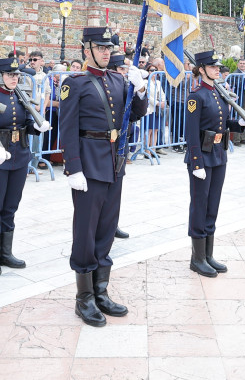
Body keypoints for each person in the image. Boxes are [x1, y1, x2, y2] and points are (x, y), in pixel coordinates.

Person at [60, 26, 148, 328]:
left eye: (108, 47)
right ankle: (83, 298)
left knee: (107, 228)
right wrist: (73, 168)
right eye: (100, 47)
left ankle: (101, 291)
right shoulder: (75, 83)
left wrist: (139, 90)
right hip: (89, 162)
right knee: (85, 230)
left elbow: (135, 113)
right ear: (87, 49)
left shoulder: (117, 79)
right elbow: (67, 128)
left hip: (114, 162)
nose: (106, 52)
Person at [0, 57, 44, 277]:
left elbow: (26, 121)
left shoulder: (20, 95)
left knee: (11, 206)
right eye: (10, 75)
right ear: (1, 75)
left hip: (19, 156)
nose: (14, 78)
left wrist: (36, 125)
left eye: (16, 75)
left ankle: (6, 253)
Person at [183, 50, 233, 277]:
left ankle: (209, 254)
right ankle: (198, 258)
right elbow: (191, 133)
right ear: (201, 69)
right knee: (199, 205)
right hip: (202, 157)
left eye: (218, 67)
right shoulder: (196, 96)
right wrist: (196, 163)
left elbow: (222, 122)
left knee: (213, 204)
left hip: (218, 154)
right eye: (213, 67)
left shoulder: (218, 92)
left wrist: (242, 122)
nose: (217, 70)